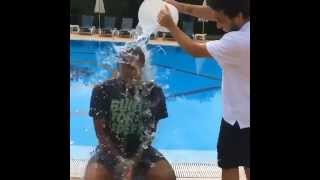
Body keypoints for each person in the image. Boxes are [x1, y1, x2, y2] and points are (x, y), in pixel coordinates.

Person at [158, 0, 250, 180]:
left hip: (238, 119)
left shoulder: (237, 41)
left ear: (238, 16)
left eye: (220, 20)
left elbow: (195, 50)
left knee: (229, 165)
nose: (217, 24)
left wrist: (171, 26)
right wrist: (181, 7)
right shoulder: (243, 18)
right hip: (243, 115)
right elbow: (217, 11)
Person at [84, 46, 176, 180]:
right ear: (119, 65)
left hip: (142, 153)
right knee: (94, 177)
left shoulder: (154, 92)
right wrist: (120, 160)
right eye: (125, 66)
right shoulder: (102, 90)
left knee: (166, 176)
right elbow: (101, 134)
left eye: (133, 67)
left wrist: (133, 161)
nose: (129, 71)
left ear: (142, 66)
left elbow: (150, 134)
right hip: (108, 151)